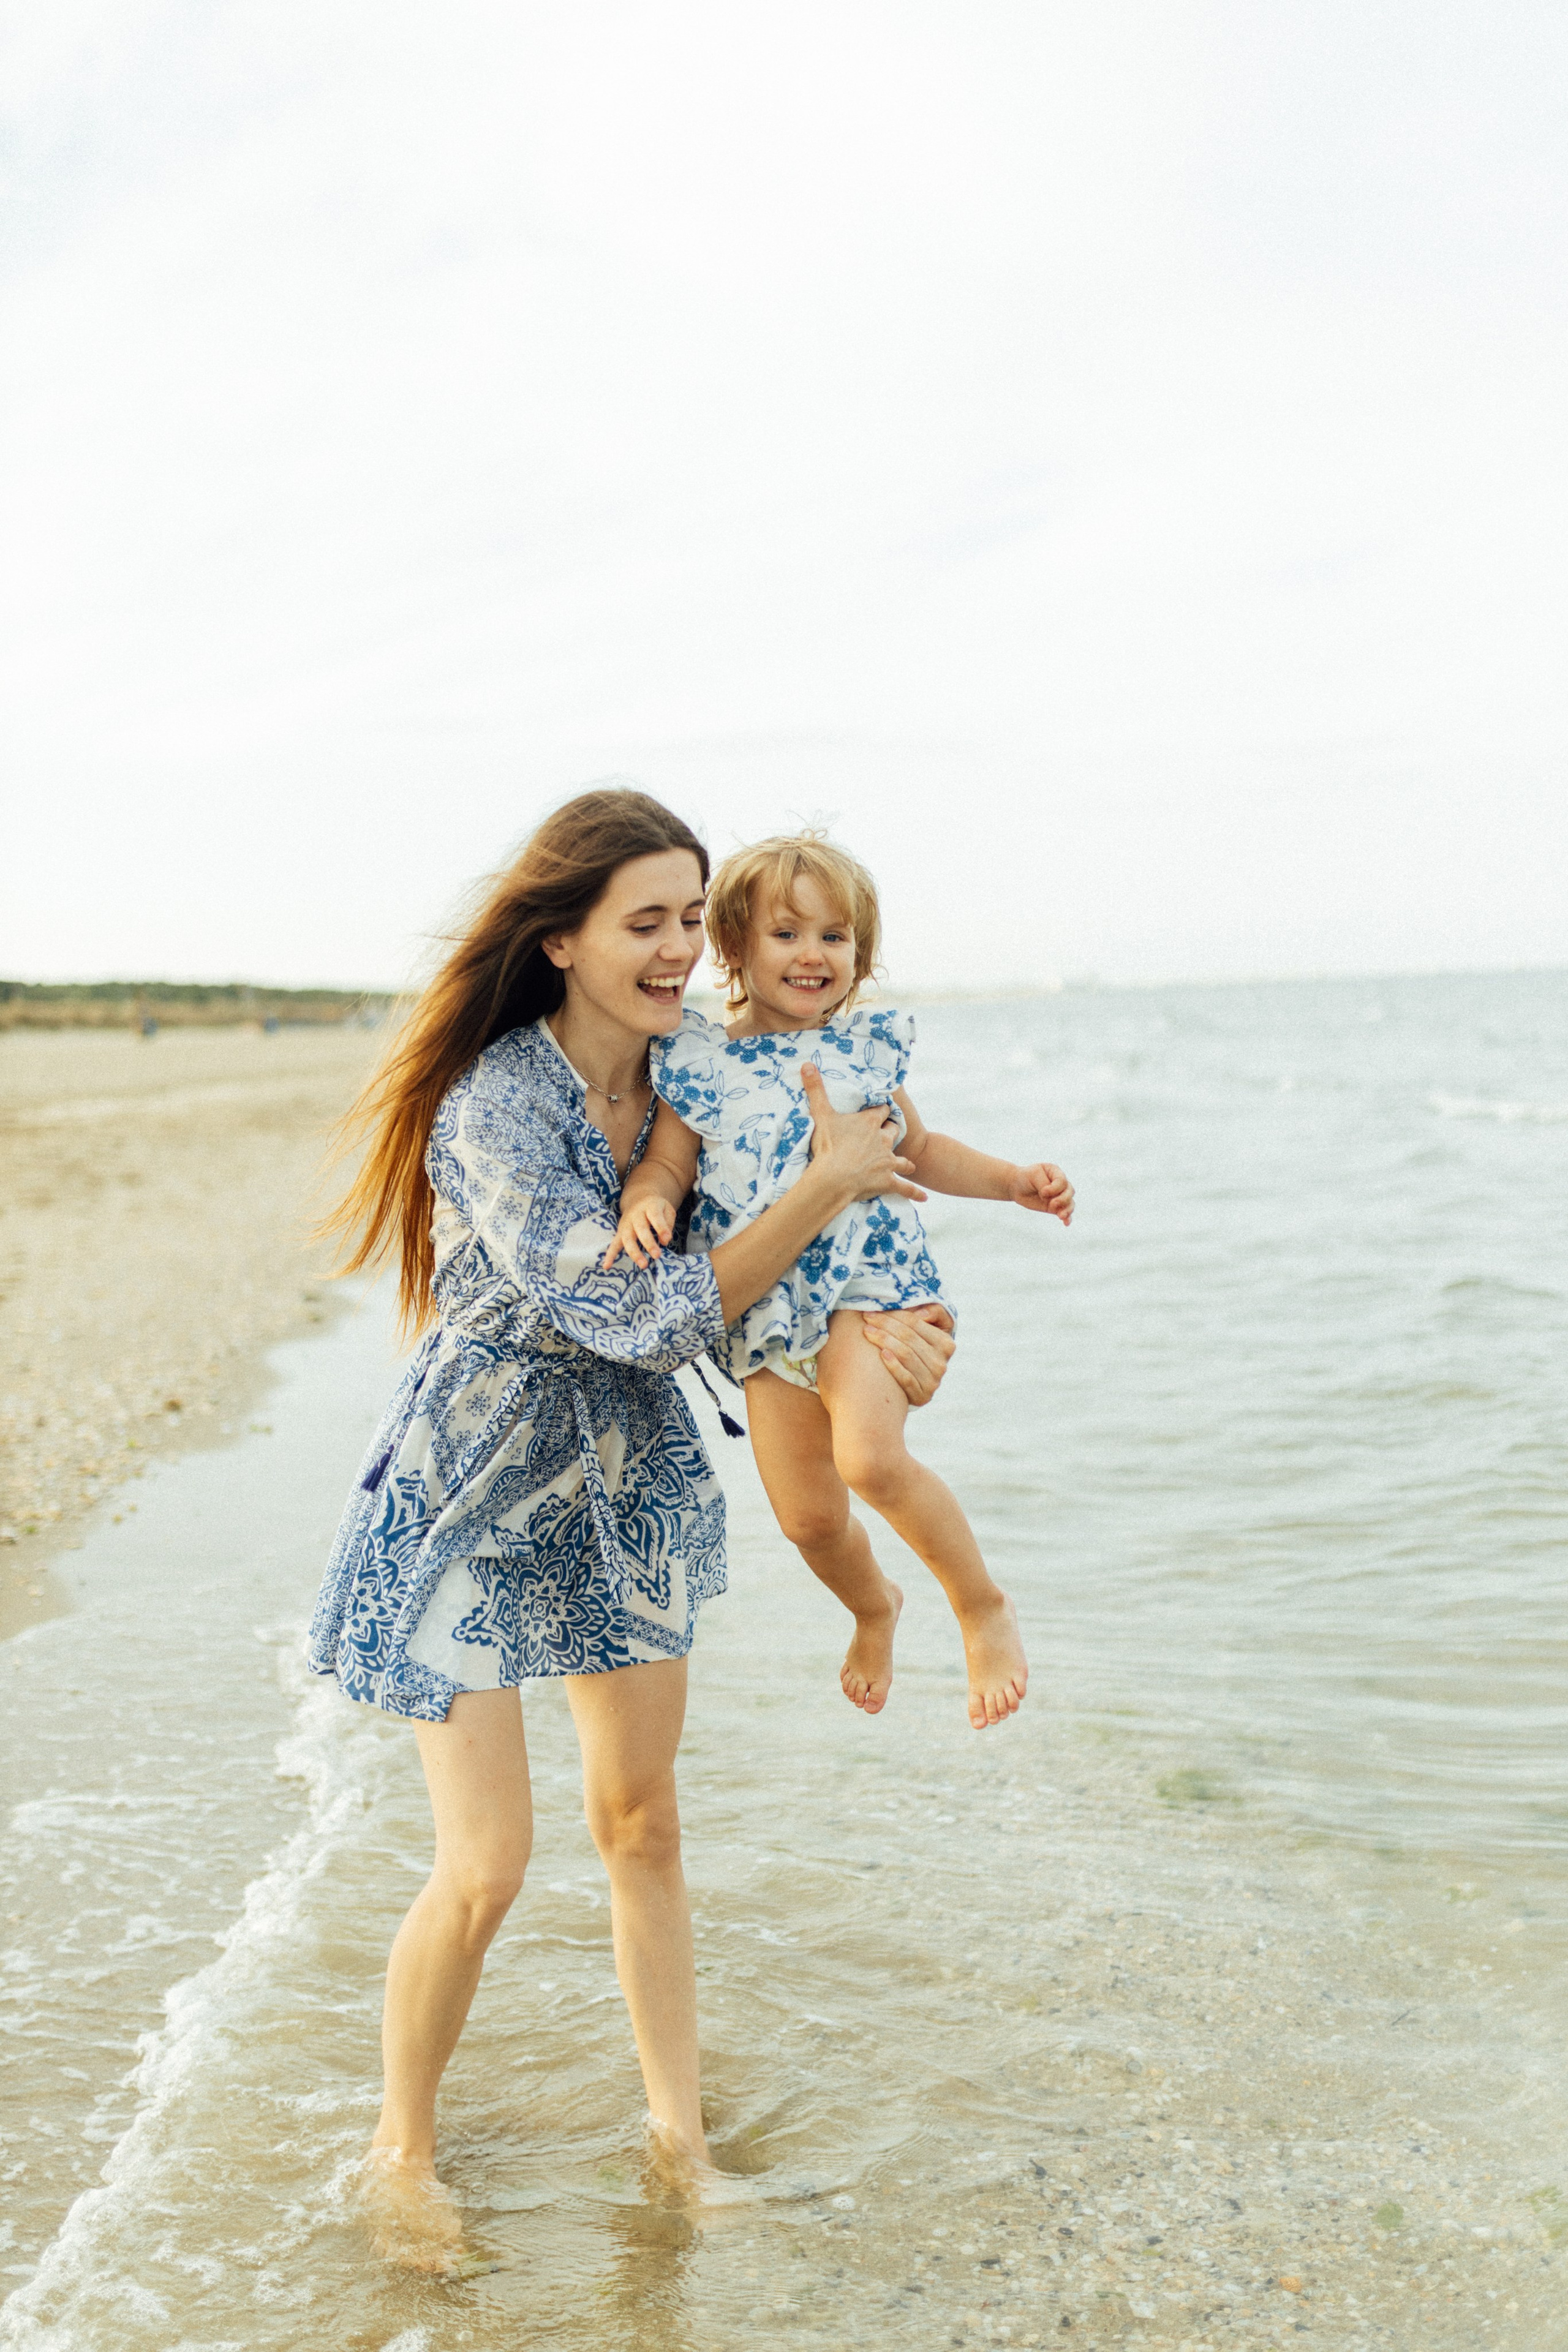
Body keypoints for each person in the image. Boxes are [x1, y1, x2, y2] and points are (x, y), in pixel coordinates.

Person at [306, 790, 956, 2268]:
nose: (680, 951)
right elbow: (623, 1311)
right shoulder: (495, 1107)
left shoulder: (709, 1072)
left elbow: (844, 1251)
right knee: (487, 1863)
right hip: (471, 1491)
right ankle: (401, 2152)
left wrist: (901, 1340)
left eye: (688, 917)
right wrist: (813, 1193)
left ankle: (681, 2145)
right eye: (646, 923)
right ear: (562, 942)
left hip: (625, 1491)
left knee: (643, 1826)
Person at [608, 831, 1074, 1732]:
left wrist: (1014, 1182)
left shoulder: (864, 1056)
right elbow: (667, 1164)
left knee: (869, 1459)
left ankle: (980, 1604)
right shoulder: (698, 1066)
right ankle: (872, 1607)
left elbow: (924, 1150)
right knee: (809, 1520)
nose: (814, 955)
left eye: (836, 936)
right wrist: (647, 1203)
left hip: (868, 1289)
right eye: (787, 934)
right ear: (734, 948)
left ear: (860, 954)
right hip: (765, 1316)